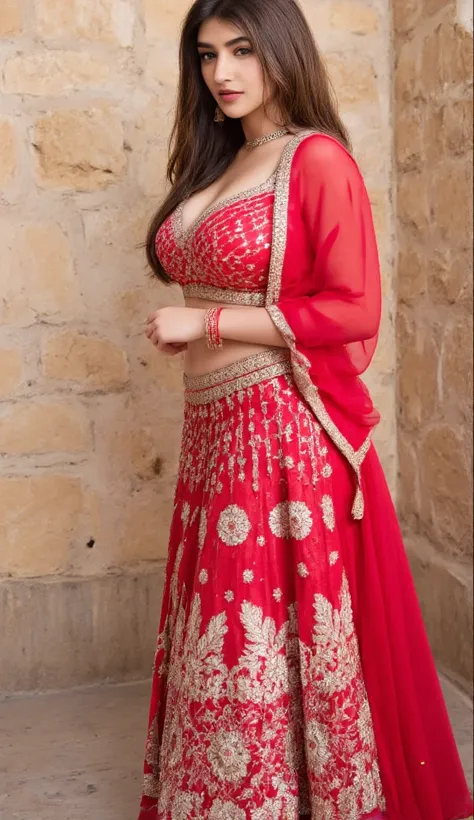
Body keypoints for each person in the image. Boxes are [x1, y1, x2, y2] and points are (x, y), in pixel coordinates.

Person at [137, 1, 473, 818]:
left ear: (283, 50)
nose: (222, 73)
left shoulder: (315, 160)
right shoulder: (223, 165)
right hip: (214, 433)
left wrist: (207, 321)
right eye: (208, 55)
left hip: (279, 438)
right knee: (222, 631)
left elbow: (356, 309)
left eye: (244, 51)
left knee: (259, 631)